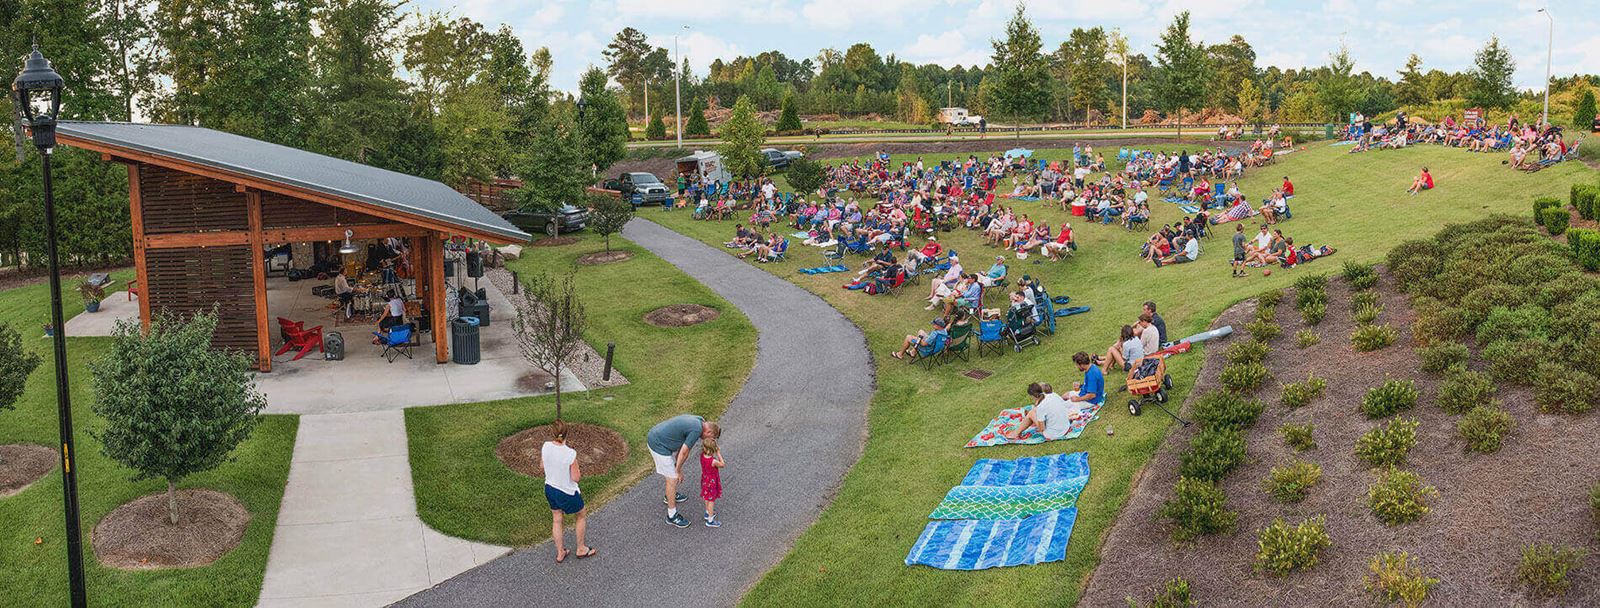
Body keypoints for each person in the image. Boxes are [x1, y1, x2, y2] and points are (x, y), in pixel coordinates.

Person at [646, 415, 721, 528]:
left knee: (672, 474)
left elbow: (681, 448)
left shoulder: (699, 420)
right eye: (712, 438)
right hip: (658, 444)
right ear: (708, 431)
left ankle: (670, 495)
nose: (710, 441)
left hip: (659, 435)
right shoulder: (696, 430)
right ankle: (672, 516)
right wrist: (678, 470)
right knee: (672, 479)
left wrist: (677, 466)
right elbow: (684, 452)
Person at [542, 421, 596, 562]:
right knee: (581, 515)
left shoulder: (546, 446)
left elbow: (542, 465)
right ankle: (581, 548)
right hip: (567, 492)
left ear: (552, 433)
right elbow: (575, 478)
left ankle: (560, 552)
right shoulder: (570, 453)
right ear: (567, 434)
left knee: (557, 519)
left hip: (550, 488)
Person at [1002, 383, 1077, 440]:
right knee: (1034, 411)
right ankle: (1026, 421)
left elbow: (1042, 429)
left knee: (1031, 413)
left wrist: (1035, 420)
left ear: (1032, 396)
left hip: (1054, 434)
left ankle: (1016, 433)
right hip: (1065, 426)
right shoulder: (1054, 395)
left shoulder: (1041, 406)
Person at [699, 436, 725, 527]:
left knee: (707, 497)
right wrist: (718, 453)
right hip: (712, 482)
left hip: (705, 479)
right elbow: (722, 464)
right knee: (711, 500)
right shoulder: (713, 461)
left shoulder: (702, 456)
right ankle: (710, 520)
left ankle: (707, 512)